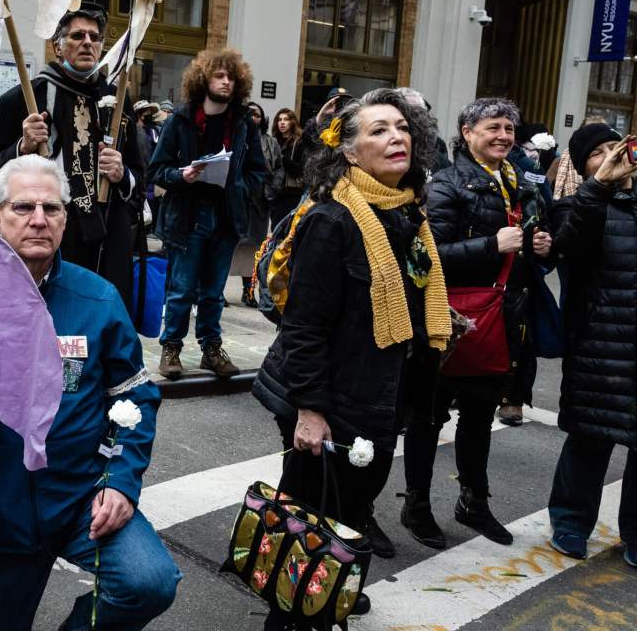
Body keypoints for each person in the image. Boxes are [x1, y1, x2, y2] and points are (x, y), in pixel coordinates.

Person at [0, 154, 179, 630]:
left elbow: (134, 397)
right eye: (23, 207)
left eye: (51, 209)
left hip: (80, 498)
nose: (38, 220)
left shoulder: (97, 298)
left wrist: (121, 481)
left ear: (64, 218)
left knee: (147, 582)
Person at [253, 90, 450, 615]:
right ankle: (295, 612)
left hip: (381, 401)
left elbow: (410, 296)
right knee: (305, 535)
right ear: (349, 152)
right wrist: (311, 411)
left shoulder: (410, 215)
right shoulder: (333, 219)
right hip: (334, 405)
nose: (396, 137)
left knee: (352, 515)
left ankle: (333, 589)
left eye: (402, 128)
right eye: (378, 130)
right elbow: (305, 327)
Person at [401, 97, 552, 550]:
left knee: (479, 417)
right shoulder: (446, 185)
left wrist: (544, 247)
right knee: (428, 419)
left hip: (500, 323)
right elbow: (427, 256)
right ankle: (417, 505)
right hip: (450, 323)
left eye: (509, 128)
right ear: (467, 132)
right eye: (493, 127)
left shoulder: (523, 183)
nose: (504, 135)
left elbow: (533, 247)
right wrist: (492, 245)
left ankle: (473, 501)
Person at [0, 7, 144, 300]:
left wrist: (121, 173)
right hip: (45, 227)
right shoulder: (23, 98)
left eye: (95, 37)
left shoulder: (117, 100)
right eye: (77, 36)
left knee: (95, 317)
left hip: (105, 236)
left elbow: (140, 179)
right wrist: (23, 146)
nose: (88, 42)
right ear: (57, 46)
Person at [546, 124, 637, 564]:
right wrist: (598, 189)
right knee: (588, 439)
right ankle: (569, 524)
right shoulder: (576, 207)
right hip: (599, 346)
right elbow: (570, 245)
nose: (610, 156)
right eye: (596, 153)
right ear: (582, 168)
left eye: (614, 147)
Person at [149, 48, 267, 379]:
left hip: (225, 216)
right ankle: (171, 347)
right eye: (219, 75)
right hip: (187, 216)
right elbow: (157, 169)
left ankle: (210, 349)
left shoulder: (244, 123)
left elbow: (259, 172)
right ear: (204, 79)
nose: (225, 81)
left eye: (231, 77)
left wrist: (238, 185)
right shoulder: (181, 119)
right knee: (182, 288)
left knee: (213, 292)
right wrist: (181, 176)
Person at [236, 100, 282, 306]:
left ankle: (248, 290)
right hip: (238, 199)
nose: (254, 117)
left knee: (254, 248)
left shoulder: (271, 142)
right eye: (251, 113)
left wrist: (272, 190)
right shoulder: (237, 137)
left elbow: (279, 169)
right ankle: (217, 291)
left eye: (258, 114)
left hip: (260, 201)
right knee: (231, 245)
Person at [270, 107, 305, 226]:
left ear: (292, 122)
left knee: (283, 227)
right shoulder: (274, 141)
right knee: (275, 224)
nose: (282, 123)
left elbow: (300, 170)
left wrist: (282, 158)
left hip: (291, 192)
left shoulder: (299, 142)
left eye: (286, 119)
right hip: (275, 190)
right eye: (279, 120)